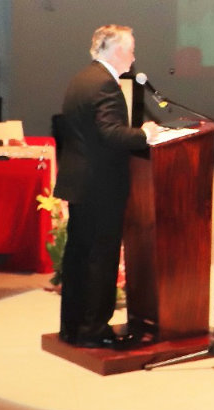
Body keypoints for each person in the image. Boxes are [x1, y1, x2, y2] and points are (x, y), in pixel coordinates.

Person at [55, 25, 160, 349]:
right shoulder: (105, 84)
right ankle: (92, 330)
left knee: (78, 258)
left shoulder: (81, 79)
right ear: (116, 51)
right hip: (100, 187)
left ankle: (72, 326)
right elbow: (110, 133)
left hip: (80, 183)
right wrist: (144, 134)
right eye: (130, 50)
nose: (134, 57)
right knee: (100, 259)